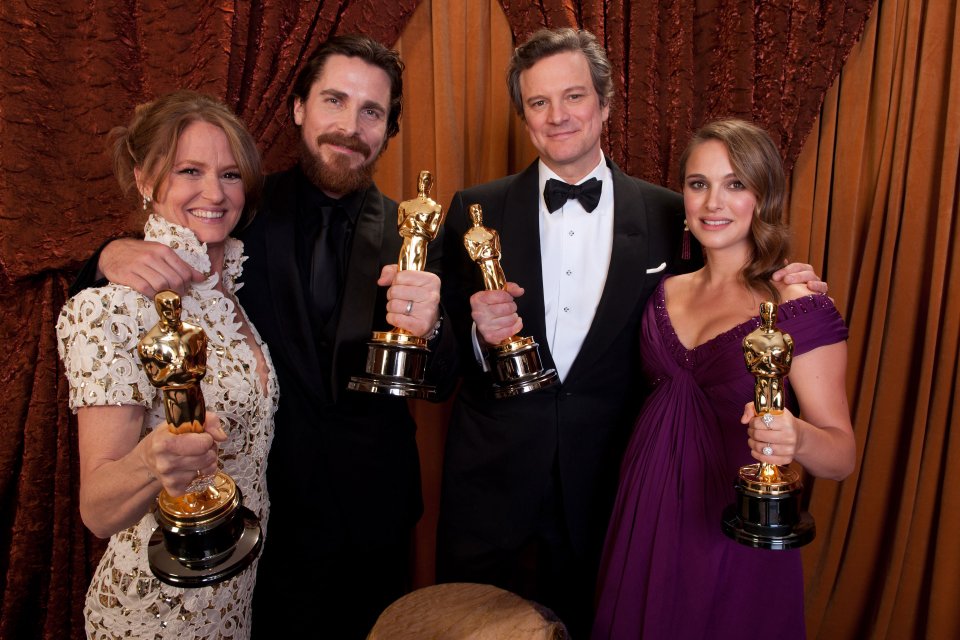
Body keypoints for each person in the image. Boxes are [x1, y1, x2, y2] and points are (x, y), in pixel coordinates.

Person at [437, 28, 826, 636]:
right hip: (490, 489)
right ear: (524, 116)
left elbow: (726, 300)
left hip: (615, 492)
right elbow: (436, 369)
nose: (558, 116)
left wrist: (782, 279)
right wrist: (473, 337)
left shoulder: (675, 214)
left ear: (606, 104)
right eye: (539, 103)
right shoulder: (472, 211)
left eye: (574, 96)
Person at [78, 36, 455, 639]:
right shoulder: (236, 207)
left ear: (389, 129)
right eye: (334, 100)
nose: (349, 127)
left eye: (371, 111)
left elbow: (442, 379)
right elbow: (127, 294)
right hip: (264, 525)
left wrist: (433, 328)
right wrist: (107, 255)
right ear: (300, 107)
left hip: (376, 517)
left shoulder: (422, 228)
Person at [591, 119, 856, 639]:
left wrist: (795, 436)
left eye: (735, 184)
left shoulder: (797, 303)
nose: (714, 202)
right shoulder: (664, 291)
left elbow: (842, 456)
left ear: (764, 196)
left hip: (735, 525)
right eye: (698, 184)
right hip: (645, 509)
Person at [56, 90, 276, 639]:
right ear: (146, 181)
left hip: (234, 598)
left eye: (229, 174)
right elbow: (98, 511)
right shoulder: (110, 306)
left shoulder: (232, 290)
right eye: (189, 171)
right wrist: (152, 460)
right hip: (153, 611)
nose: (214, 192)